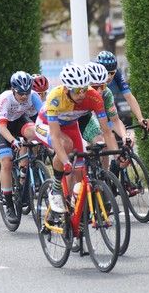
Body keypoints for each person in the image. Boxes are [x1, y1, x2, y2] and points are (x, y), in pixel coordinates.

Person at [34, 64, 119, 213]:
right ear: (66, 89)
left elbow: (106, 131)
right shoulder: (55, 97)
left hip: (70, 126)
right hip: (46, 124)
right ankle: (55, 189)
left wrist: (117, 155)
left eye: (85, 89)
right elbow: (54, 135)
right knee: (66, 145)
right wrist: (65, 161)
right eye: (78, 90)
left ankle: (74, 210)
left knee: (79, 171)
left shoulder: (93, 96)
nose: (82, 94)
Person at [0, 71, 42, 224]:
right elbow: (3, 129)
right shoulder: (5, 99)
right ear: (13, 90)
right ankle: (8, 204)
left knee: (34, 132)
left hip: (19, 119)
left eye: (27, 93)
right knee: (6, 161)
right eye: (21, 93)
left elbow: (43, 118)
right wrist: (13, 141)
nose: (24, 96)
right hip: (3, 126)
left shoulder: (33, 96)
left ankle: (26, 169)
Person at [96, 51, 149, 132]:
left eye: (112, 73)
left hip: (109, 107)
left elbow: (129, 97)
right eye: (106, 73)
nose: (109, 77)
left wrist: (140, 118)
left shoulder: (117, 74)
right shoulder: (92, 76)